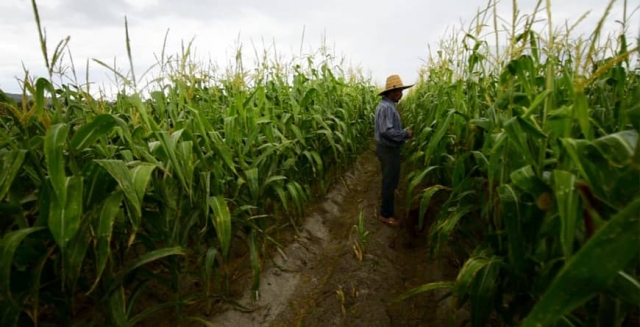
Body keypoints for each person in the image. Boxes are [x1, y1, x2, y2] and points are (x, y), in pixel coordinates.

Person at [374, 74, 414, 228]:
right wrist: (405, 134)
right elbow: (386, 131)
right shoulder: (386, 108)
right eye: (398, 91)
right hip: (388, 150)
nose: (401, 94)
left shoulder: (387, 106)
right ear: (391, 92)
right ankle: (386, 215)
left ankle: (387, 210)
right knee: (389, 182)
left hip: (388, 149)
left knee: (390, 180)